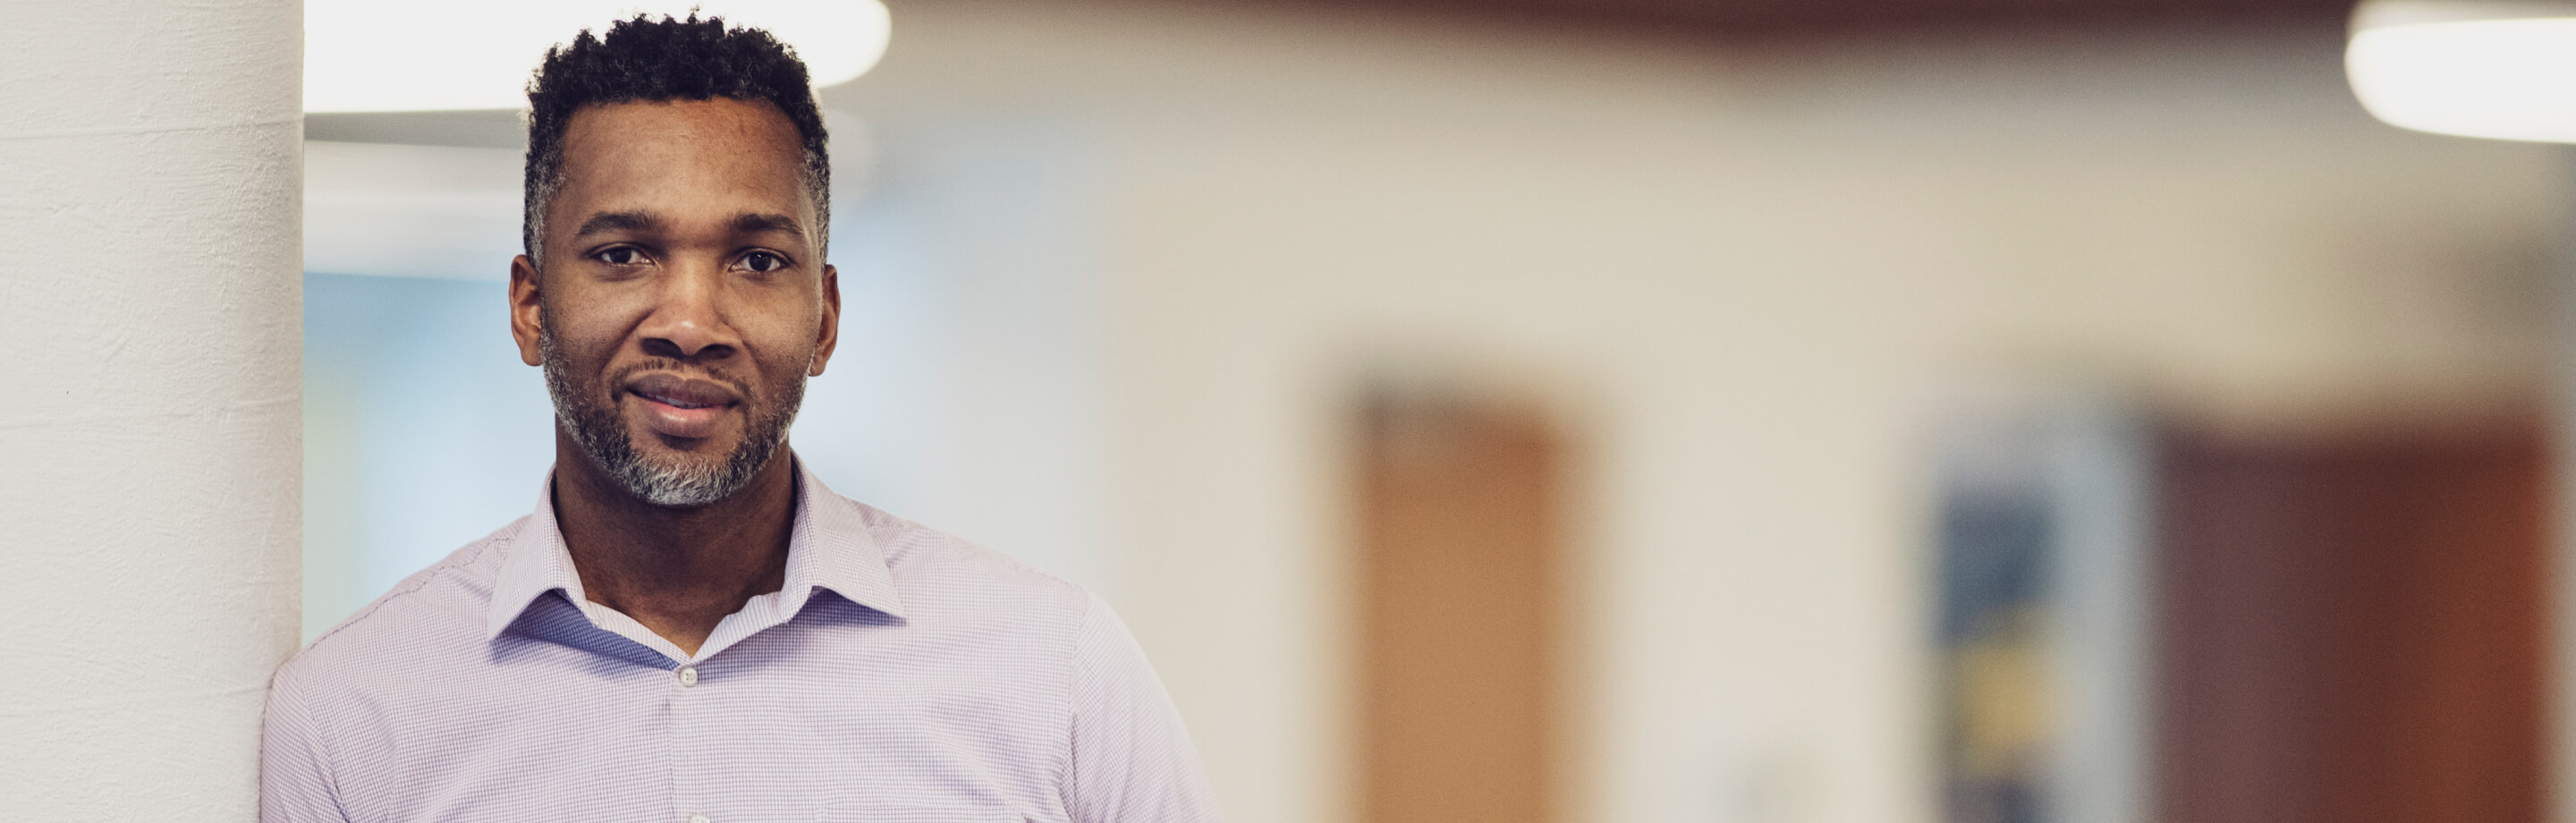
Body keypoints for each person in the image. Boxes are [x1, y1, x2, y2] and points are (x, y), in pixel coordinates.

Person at [261, 15, 1220, 822]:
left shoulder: (1056, 673)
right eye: (625, 253)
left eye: (756, 260)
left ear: (826, 319)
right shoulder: (354, 717)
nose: (689, 321)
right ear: (529, 305)